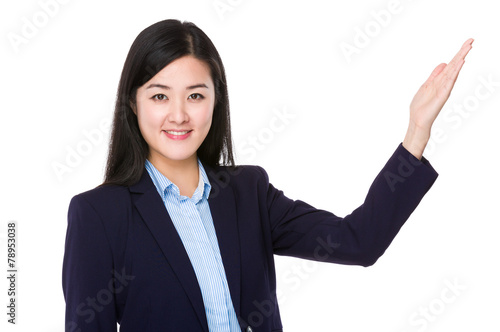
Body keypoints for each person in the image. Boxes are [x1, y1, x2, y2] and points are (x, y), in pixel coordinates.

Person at [62, 18, 473, 332]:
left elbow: (358, 242)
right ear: (133, 105)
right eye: (159, 95)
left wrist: (416, 131)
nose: (179, 115)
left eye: (195, 95)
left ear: (215, 101)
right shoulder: (99, 215)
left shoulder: (247, 192)